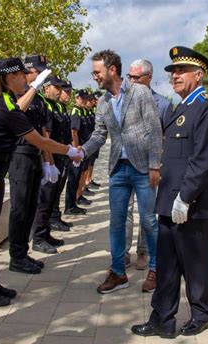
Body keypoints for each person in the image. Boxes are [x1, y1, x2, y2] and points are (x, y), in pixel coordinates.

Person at [0, 59, 81, 307]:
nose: (26, 78)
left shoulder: (3, 100)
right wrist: (70, 151)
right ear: (10, 78)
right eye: (22, 75)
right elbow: (41, 141)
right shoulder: (7, 106)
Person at [131, 46, 208, 338]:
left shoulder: (207, 106)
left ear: (199, 74)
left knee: (195, 263)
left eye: (182, 71)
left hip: (190, 203)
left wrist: (186, 196)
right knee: (168, 265)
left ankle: (201, 314)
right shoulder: (179, 107)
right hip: (168, 200)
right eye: (172, 72)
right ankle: (162, 318)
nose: (175, 76)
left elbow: (204, 158)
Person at [80, 49, 162, 294]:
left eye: (97, 72)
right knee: (116, 223)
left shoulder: (140, 93)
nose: (94, 76)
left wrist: (155, 166)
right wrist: (80, 152)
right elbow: (98, 136)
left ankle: (156, 269)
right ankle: (118, 273)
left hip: (143, 168)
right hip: (118, 169)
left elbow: (154, 130)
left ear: (112, 70)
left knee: (148, 221)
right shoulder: (103, 102)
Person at [7, 54, 58, 274]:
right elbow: (16, 111)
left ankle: (23, 251)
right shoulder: (17, 93)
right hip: (19, 155)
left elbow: (43, 131)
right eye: (38, 72)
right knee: (19, 208)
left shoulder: (37, 97)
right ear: (28, 72)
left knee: (30, 206)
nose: (42, 76)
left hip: (35, 154)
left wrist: (48, 162)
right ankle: (16, 255)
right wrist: (33, 88)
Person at [125, 59, 173, 271]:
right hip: (125, 166)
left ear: (149, 78)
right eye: (130, 77)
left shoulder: (162, 104)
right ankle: (122, 252)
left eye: (136, 77)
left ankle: (143, 252)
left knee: (147, 212)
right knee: (124, 211)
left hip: (149, 168)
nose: (132, 81)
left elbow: (168, 139)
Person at [31, 75, 70, 254]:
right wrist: (49, 163)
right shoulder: (44, 104)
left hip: (57, 157)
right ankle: (38, 237)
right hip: (48, 158)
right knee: (44, 200)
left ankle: (45, 233)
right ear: (46, 88)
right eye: (57, 88)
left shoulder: (55, 106)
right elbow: (45, 136)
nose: (59, 91)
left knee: (51, 198)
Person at [50, 80, 75, 230]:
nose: (66, 95)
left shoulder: (62, 108)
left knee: (58, 188)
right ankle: (51, 219)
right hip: (53, 154)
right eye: (66, 92)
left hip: (62, 154)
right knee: (52, 190)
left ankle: (55, 216)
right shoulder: (52, 107)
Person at [64, 90, 90, 214]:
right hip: (77, 150)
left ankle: (74, 202)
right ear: (77, 98)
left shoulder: (81, 110)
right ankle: (69, 206)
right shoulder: (76, 111)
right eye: (82, 98)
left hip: (82, 149)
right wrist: (75, 151)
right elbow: (73, 132)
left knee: (78, 176)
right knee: (73, 178)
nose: (84, 101)